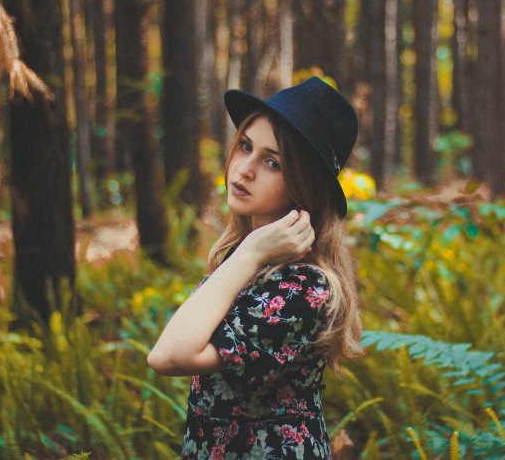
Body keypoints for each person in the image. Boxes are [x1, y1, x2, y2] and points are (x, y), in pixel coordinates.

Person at [148, 76, 362, 459]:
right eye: (245, 146)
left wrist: (249, 253)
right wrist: (248, 254)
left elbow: (168, 356)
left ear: (304, 185)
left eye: (272, 163)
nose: (244, 169)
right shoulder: (253, 261)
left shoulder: (303, 288)